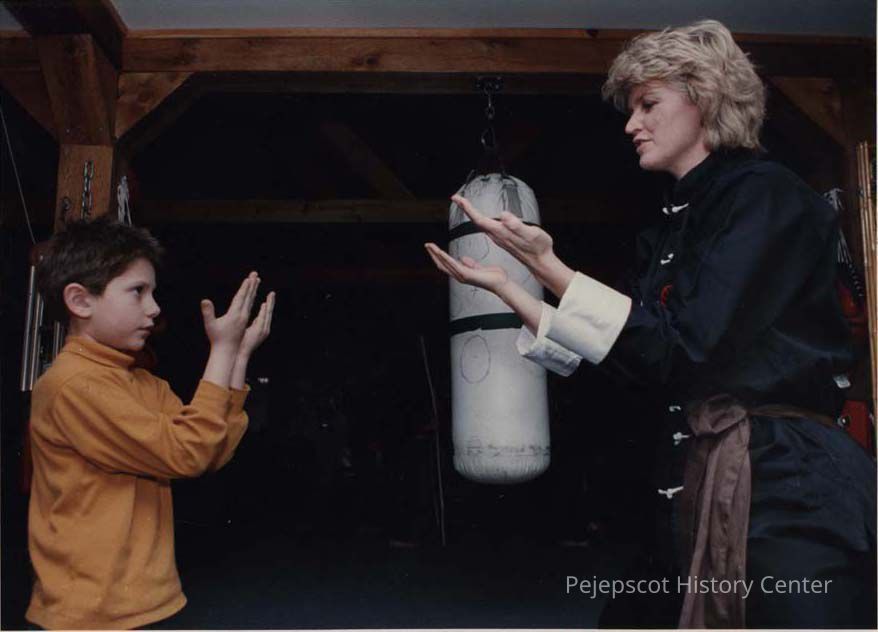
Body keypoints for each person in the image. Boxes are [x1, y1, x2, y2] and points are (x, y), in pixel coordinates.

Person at [425, 19, 876, 629]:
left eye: (648, 104)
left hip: (785, 484)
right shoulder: (668, 226)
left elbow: (688, 347)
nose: (631, 124)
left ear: (705, 98)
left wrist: (549, 267)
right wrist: (510, 287)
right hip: (694, 476)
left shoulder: (766, 197)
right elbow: (631, 354)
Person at [26, 216, 275, 629]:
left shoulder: (141, 382)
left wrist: (238, 356)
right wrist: (221, 351)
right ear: (81, 301)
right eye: (137, 291)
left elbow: (210, 450)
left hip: (148, 603)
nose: (154, 308)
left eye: (153, 292)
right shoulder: (72, 386)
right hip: (91, 615)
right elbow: (189, 453)